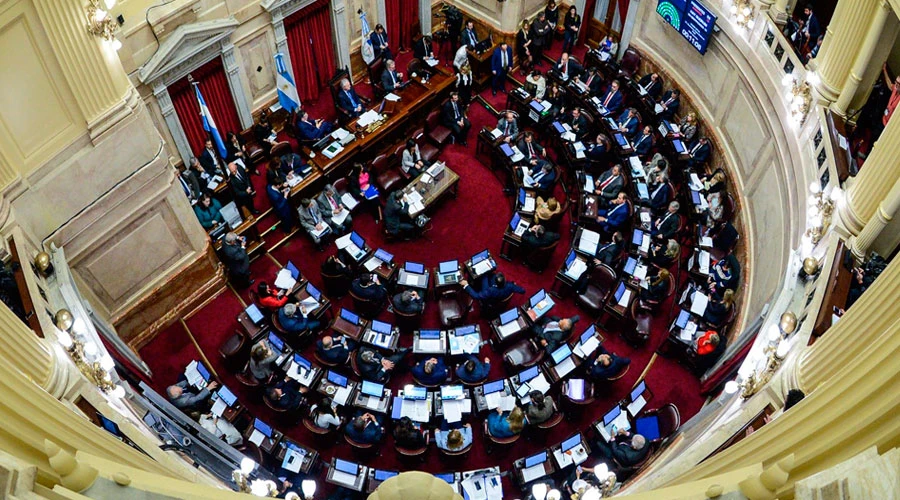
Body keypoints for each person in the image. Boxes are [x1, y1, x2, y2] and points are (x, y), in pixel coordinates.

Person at [460, 271, 525, 309]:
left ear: (496, 283)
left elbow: (476, 296)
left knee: (484, 278)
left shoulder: (491, 291)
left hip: (491, 301)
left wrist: (466, 285)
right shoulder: (510, 286)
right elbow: (522, 290)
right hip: (501, 295)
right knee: (488, 276)